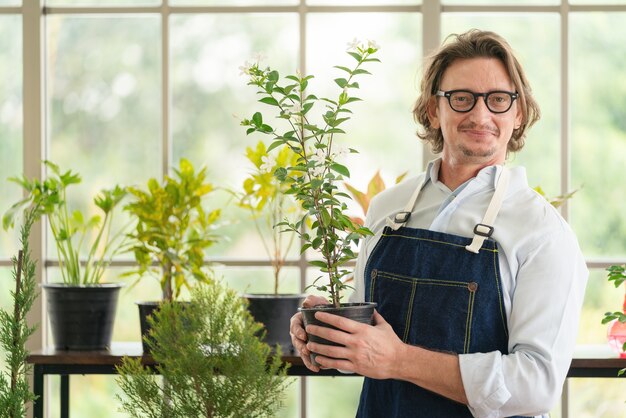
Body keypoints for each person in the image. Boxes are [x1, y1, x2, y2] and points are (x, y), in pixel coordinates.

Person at [289, 29, 588, 418]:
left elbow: (536, 385)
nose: (480, 115)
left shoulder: (543, 232)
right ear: (434, 109)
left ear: (518, 113)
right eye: (462, 98)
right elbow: (368, 350)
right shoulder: (387, 208)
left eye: (498, 99)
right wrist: (327, 335)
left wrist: (399, 360)